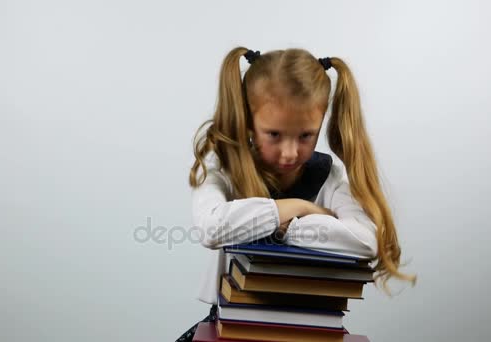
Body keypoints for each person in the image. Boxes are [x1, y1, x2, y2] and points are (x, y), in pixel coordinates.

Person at [174, 46, 416, 341]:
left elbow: (366, 240)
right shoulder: (219, 164)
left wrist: (285, 228)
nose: (290, 153)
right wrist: (301, 207)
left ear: (321, 122)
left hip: (309, 326)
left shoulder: (331, 176)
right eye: (273, 134)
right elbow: (212, 228)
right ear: (250, 121)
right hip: (234, 324)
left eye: (306, 136)